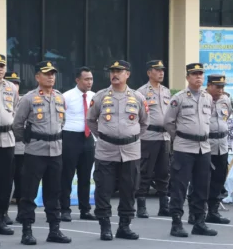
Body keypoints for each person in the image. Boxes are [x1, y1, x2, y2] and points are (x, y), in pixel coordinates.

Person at [87, 60, 149, 241]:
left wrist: (129, 136)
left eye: (119, 71)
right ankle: (105, 226)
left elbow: (144, 123)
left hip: (130, 151)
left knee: (129, 189)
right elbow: (91, 121)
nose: (115, 74)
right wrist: (106, 136)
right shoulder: (100, 97)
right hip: (106, 150)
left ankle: (124, 226)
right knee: (103, 189)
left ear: (127, 74)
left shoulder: (138, 98)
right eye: (112, 71)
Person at [13, 61, 71, 245]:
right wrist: (30, 141)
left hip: (56, 151)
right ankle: (27, 230)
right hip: (35, 152)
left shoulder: (60, 97)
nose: (51, 76)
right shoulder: (28, 98)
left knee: (54, 193)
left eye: (53, 73)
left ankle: (54, 230)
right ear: (37, 77)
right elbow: (17, 125)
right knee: (29, 193)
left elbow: (63, 122)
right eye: (46, 74)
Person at [163, 63, 217, 238]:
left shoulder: (208, 97)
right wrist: (179, 138)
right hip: (184, 147)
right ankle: (176, 223)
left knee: (202, 187)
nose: (198, 77)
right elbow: (168, 122)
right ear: (187, 77)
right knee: (179, 187)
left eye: (201, 74)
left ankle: (199, 221)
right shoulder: (178, 98)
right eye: (194, 74)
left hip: (204, 148)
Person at [188, 74, 232, 225]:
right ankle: (194, 212)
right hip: (205, 144)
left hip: (222, 144)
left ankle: (213, 211)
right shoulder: (201, 98)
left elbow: (228, 117)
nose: (220, 90)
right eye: (217, 86)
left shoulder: (226, 99)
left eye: (222, 87)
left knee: (218, 179)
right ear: (209, 85)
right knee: (200, 180)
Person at [60, 67, 97, 222]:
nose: (89, 82)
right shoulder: (66, 96)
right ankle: (64, 209)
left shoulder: (95, 96)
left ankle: (85, 209)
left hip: (88, 138)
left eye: (91, 79)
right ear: (77, 80)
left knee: (85, 176)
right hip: (70, 137)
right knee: (67, 175)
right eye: (86, 79)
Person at [0, 55, 19, 235]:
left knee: (5, 181)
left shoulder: (10, 88)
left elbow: (14, 110)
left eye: (2, 66)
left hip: (7, 138)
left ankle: (1, 218)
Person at [136, 60, 171, 218]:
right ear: (149, 73)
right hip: (148, 137)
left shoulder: (166, 91)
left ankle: (164, 205)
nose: (161, 73)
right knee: (145, 172)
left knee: (164, 172)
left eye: (162, 70)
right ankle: (141, 206)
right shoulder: (141, 92)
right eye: (157, 70)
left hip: (165, 137)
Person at [4, 71, 24, 222]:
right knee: (5, 181)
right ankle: (3, 212)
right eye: (12, 82)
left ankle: (22, 212)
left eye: (16, 83)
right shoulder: (1, 100)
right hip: (5, 145)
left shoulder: (25, 100)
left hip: (22, 147)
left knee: (23, 182)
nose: (14, 85)